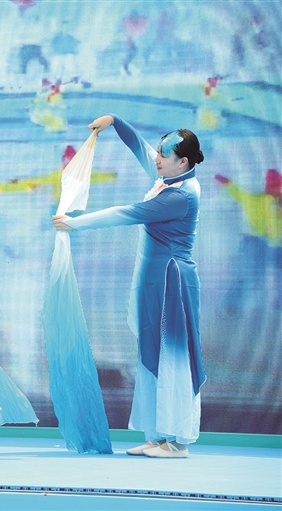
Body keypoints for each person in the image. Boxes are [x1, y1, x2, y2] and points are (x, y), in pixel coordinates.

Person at [53, 114, 205, 458]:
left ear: (182, 162)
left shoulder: (179, 196)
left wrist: (75, 223)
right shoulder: (169, 177)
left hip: (172, 282)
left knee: (173, 357)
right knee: (151, 353)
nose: (157, 158)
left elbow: (127, 212)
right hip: (156, 278)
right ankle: (158, 433)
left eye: (164, 155)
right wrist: (116, 122)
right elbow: (141, 148)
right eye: (160, 152)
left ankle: (178, 440)